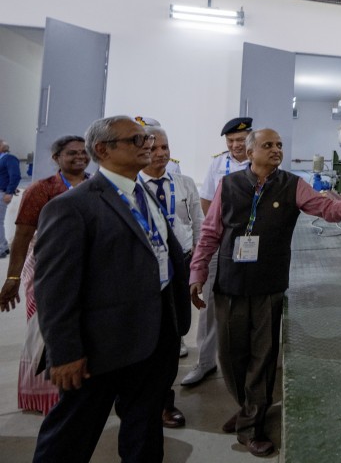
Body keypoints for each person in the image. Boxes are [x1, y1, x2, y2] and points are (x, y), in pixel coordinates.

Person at [190, 128, 341, 458]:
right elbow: (209, 232)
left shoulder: (293, 185)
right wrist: (198, 271)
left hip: (268, 283)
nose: (276, 150)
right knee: (230, 356)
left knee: (263, 356)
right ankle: (247, 407)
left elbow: (325, 208)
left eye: (279, 145)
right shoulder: (229, 185)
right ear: (250, 152)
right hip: (232, 282)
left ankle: (251, 425)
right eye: (268, 145)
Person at [32, 116, 190, 463]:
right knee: (73, 433)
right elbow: (55, 288)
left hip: (156, 334)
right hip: (102, 345)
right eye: (136, 140)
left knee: (144, 427)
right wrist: (65, 352)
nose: (148, 145)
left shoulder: (143, 193)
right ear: (103, 150)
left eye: (147, 139)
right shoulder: (72, 207)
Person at [0, 136, 89, 414]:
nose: (79, 157)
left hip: (87, 270)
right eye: (72, 153)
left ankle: (80, 393)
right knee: (45, 330)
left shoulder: (96, 186)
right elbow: (23, 237)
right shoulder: (42, 189)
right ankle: (46, 398)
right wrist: (12, 279)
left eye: (83, 152)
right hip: (47, 270)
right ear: (56, 158)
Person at [139, 127, 204, 429]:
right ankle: (139, 398)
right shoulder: (133, 187)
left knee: (172, 335)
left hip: (182, 264)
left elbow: (199, 224)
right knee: (144, 336)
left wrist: (199, 265)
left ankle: (165, 401)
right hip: (146, 270)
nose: (161, 153)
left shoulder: (184, 183)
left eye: (165, 147)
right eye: (153, 148)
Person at [182, 116, 253, 388]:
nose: (235, 145)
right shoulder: (218, 164)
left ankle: (250, 361)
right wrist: (218, 230)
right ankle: (205, 361)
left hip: (252, 242)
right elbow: (207, 200)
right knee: (211, 302)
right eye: (231, 141)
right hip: (222, 240)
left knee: (251, 301)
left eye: (240, 140)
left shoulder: (260, 161)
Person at [0, 140, 22, 258]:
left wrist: (9, 191)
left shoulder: (9, 158)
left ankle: (1, 248)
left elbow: (15, 175)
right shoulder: (2, 159)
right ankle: (3, 245)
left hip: (2, 193)